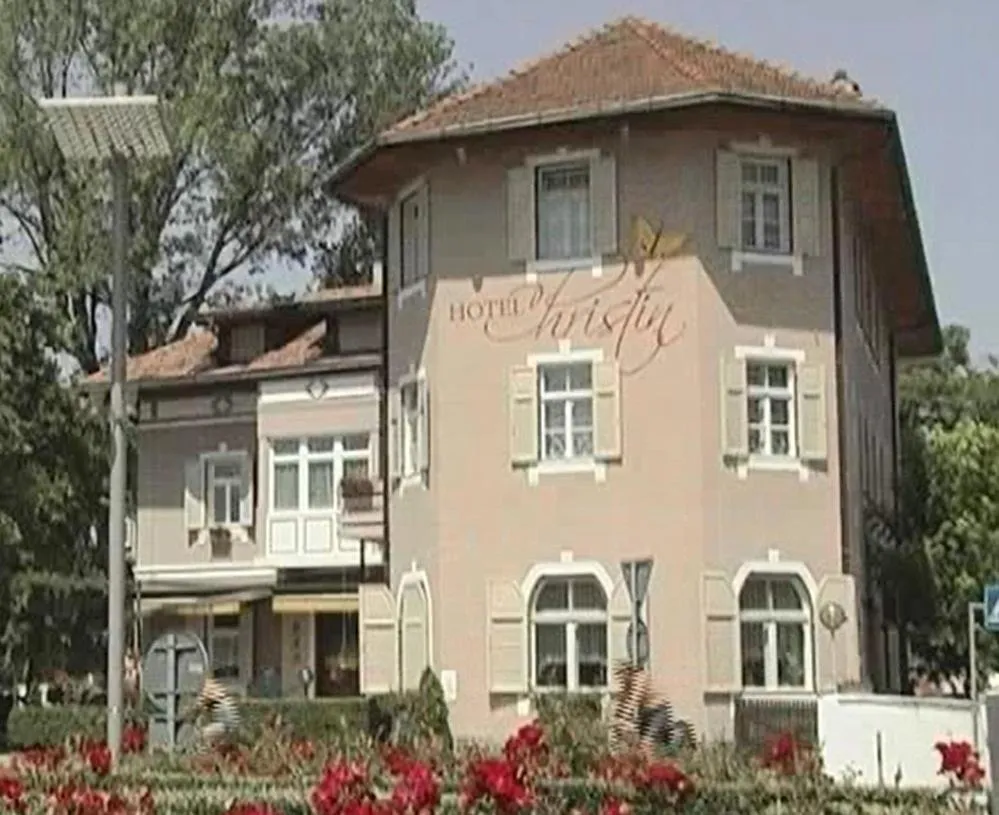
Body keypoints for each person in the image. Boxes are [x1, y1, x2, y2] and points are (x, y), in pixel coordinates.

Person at [194, 676, 240, 745]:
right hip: (231, 726)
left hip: (225, 726)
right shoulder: (222, 693)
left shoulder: (213, 692)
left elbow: (202, 705)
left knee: (203, 733)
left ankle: (209, 750)